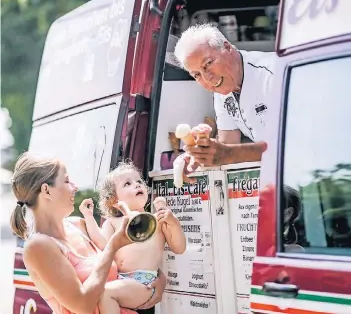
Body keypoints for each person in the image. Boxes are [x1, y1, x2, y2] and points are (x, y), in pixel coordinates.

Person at [10, 152, 166, 314]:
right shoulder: (39, 246)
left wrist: (158, 279)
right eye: (67, 181)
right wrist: (112, 247)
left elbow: (126, 262)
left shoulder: (79, 225)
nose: (75, 186)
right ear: (46, 191)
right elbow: (82, 305)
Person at [79, 161, 186, 313]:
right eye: (127, 183)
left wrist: (173, 222)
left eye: (139, 181)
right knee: (103, 293)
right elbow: (103, 244)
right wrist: (89, 217)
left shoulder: (156, 220)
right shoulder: (113, 222)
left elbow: (179, 247)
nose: (137, 185)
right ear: (113, 201)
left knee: (106, 293)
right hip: (120, 280)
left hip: (145, 282)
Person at [173, 23, 276, 169]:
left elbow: (293, 145)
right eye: (197, 75)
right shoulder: (222, 90)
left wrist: (230, 154)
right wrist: (200, 155)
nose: (207, 78)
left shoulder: (273, 74)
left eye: (208, 63)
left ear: (227, 48)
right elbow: (228, 143)